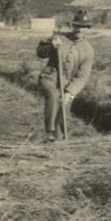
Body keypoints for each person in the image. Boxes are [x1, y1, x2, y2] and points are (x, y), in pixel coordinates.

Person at [36, 10, 94, 142]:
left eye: (84, 27)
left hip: (66, 84)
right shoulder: (60, 37)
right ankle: (49, 132)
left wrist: (70, 93)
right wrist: (51, 46)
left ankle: (58, 139)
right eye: (77, 26)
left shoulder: (88, 51)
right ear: (73, 26)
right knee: (54, 95)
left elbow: (82, 76)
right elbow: (40, 53)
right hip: (49, 77)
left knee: (63, 107)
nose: (80, 30)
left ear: (88, 29)